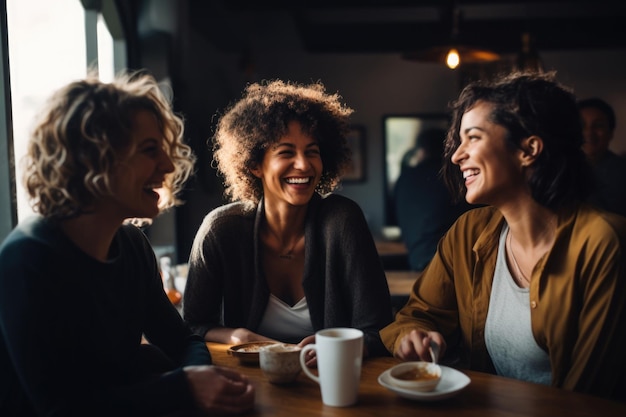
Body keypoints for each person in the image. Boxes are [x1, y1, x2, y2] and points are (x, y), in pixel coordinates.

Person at [0, 72, 255, 416]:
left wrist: (199, 374)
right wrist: (185, 386)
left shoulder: (132, 245)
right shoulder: (26, 260)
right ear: (93, 158)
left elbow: (184, 341)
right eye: (150, 150)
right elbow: (59, 408)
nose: (167, 165)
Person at [380, 71, 626, 401]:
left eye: (474, 137)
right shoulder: (468, 232)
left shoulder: (602, 242)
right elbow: (417, 315)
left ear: (529, 149)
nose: (456, 155)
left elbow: (583, 399)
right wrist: (412, 336)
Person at [183, 80, 392, 361]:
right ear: (254, 165)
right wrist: (238, 336)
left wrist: (339, 345)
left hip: (330, 381)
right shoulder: (221, 230)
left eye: (312, 151)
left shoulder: (342, 221)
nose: (303, 165)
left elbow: (379, 330)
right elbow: (193, 326)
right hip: (250, 383)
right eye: (286, 152)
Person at [393, 127, 472, 271]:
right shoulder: (454, 176)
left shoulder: (405, 178)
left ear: (421, 150)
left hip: (416, 260)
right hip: (452, 262)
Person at [578, 97, 626, 217]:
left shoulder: (621, 173)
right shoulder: (558, 169)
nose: (589, 132)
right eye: (582, 125)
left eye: (598, 125)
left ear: (610, 132)